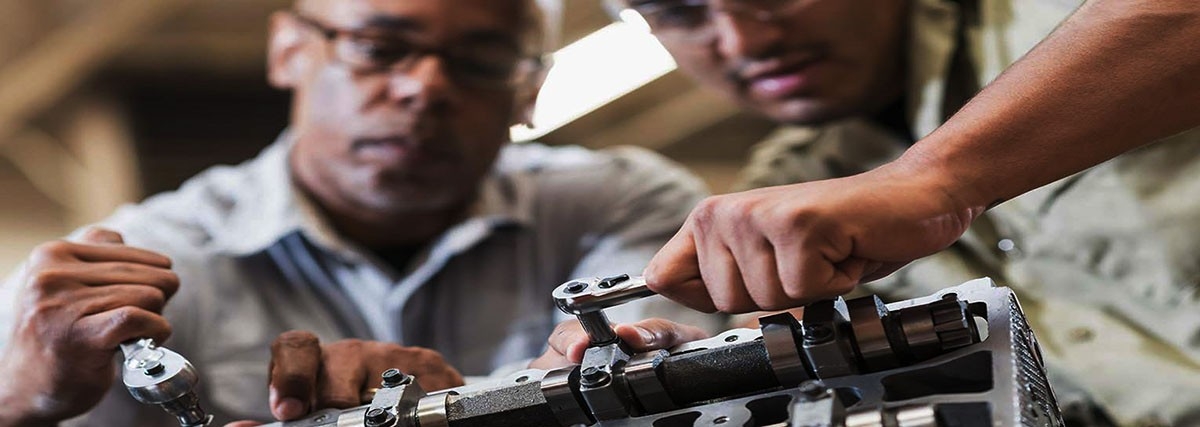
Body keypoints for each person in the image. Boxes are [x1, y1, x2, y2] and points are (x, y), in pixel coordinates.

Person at [0, 0, 723, 426]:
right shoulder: (140, 264)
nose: (425, 88)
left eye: (483, 59)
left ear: (530, 90)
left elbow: (629, 369)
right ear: (287, 50)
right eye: (380, 48)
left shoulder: (632, 200)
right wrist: (22, 400)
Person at [554, 0, 1200, 425]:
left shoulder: (1059, 14)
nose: (744, 37)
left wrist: (937, 178)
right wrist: (697, 366)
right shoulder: (783, 186)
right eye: (677, 10)